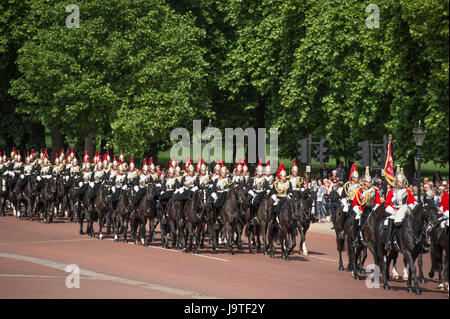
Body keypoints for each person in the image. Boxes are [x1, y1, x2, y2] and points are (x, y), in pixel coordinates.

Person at [384, 166, 417, 251]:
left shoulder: (408, 191)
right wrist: (393, 211)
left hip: (405, 211)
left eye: (402, 182)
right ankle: (389, 241)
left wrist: (409, 207)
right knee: (391, 219)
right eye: (400, 182)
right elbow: (387, 205)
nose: (401, 183)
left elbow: (412, 202)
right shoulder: (391, 192)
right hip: (394, 212)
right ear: (397, 182)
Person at [352, 167, 381, 247]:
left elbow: (378, 202)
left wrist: (375, 209)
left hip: (372, 209)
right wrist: (358, 211)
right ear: (364, 182)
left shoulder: (374, 190)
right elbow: (355, 202)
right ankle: (356, 238)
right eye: (367, 182)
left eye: (370, 182)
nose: (368, 183)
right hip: (362, 209)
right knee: (357, 219)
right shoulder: (360, 190)